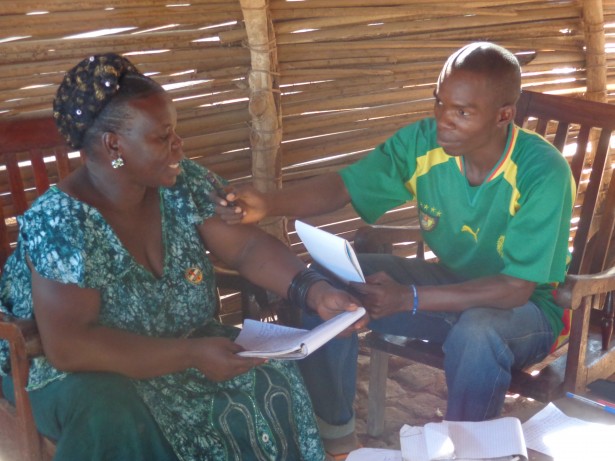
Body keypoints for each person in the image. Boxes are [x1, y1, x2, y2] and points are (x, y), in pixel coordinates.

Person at [212, 42, 575, 455]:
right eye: (439, 103)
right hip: (451, 285)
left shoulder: (541, 171)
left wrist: (411, 298)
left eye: (462, 112)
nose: (443, 121)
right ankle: (333, 439)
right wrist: (267, 203)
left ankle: (469, 450)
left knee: (478, 331)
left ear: (503, 115)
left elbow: (515, 288)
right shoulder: (423, 145)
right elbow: (344, 186)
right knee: (328, 281)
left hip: (528, 312)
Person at [0, 54, 365, 461]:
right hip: (72, 370)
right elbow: (70, 346)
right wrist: (191, 355)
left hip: (180, 345)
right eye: (163, 137)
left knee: (271, 375)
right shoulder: (61, 222)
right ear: (113, 144)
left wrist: (311, 290)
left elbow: (246, 247)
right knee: (112, 415)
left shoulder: (182, 183)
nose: (179, 146)